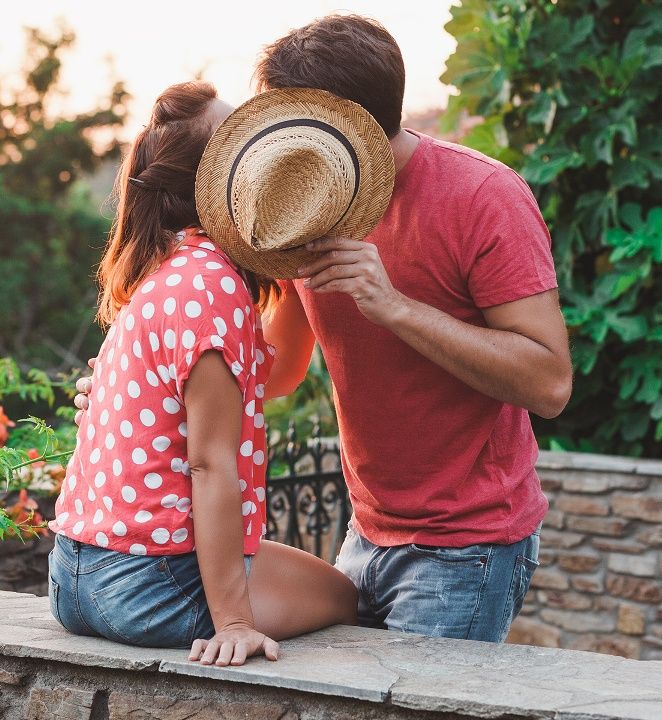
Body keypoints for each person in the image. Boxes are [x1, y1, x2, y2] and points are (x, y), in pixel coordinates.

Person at [77, 16, 572, 643]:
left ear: (347, 121)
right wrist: (142, 390)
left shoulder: (485, 196)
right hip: (365, 533)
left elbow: (550, 383)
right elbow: (277, 370)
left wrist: (395, 308)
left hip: (465, 546)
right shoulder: (306, 195)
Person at [47, 81, 359, 668]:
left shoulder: (165, 271)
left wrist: (292, 259)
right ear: (220, 179)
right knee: (345, 597)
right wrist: (235, 623)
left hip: (75, 578)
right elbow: (210, 464)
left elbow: (276, 373)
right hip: (146, 587)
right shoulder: (213, 284)